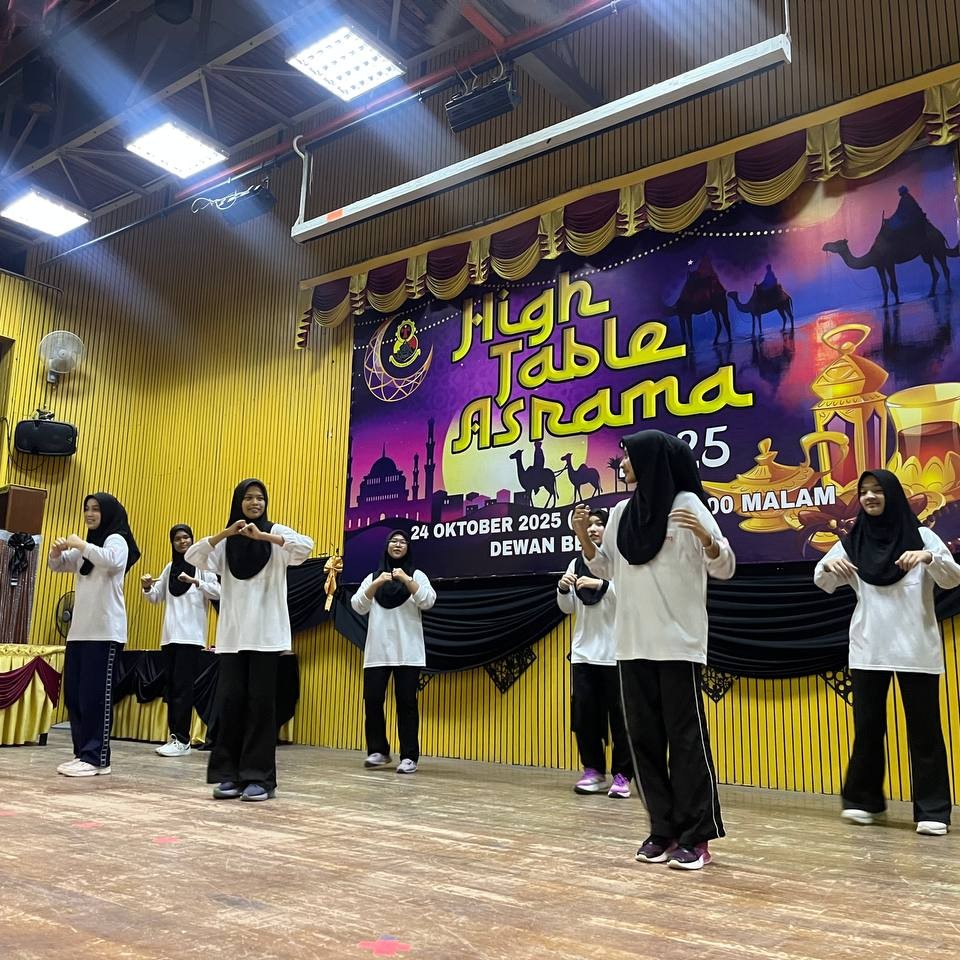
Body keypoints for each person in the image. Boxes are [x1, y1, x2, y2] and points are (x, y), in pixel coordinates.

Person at [572, 430, 735, 870]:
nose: (622, 464)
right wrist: (585, 539)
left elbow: (725, 567)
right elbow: (606, 568)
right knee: (643, 741)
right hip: (630, 644)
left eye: (628, 457)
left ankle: (697, 836)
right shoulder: (621, 512)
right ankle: (662, 830)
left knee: (686, 741)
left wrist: (707, 538)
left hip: (679, 644)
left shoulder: (688, 505)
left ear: (650, 461)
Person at [814, 469, 960, 836]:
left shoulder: (923, 538)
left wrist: (929, 558)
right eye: (864, 492)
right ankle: (864, 802)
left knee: (925, 731)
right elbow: (822, 580)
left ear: (892, 495)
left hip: (916, 649)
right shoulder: (852, 541)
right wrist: (828, 564)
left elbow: (952, 578)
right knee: (867, 728)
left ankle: (933, 810)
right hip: (869, 649)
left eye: (877, 491)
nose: (869, 497)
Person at [186, 479, 313, 802]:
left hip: (266, 636)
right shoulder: (227, 543)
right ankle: (229, 775)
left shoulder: (276, 533)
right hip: (232, 637)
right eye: (248, 498)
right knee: (230, 704)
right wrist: (226, 533)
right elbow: (194, 555)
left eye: (260, 498)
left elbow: (305, 547)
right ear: (238, 502)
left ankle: (260, 779)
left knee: (260, 707)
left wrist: (265, 536)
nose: (255, 503)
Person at [47, 492, 140, 777]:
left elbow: (112, 562)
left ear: (108, 512)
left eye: (96, 509)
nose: (89, 513)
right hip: (79, 632)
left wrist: (80, 544)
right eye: (87, 508)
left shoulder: (116, 540)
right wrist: (56, 552)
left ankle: (97, 757)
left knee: (95, 696)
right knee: (75, 696)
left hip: (105, 632)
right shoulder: (90, 546)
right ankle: (83, 754)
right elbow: (58, 565)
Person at [557, 508, 632, 799]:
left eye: (600, 524)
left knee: (621, 719)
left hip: (617, 653)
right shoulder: (576, 563)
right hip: (583, 654)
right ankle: (593, 771)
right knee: (585, 717)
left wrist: (602, 584)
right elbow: (567, 608)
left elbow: (631, 598)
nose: (593, 529)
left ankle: (623, 775)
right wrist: (563, 589)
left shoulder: (618, 562)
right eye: (589, 525)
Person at [351, 530, 436, 774]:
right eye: (393, 541)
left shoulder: (416, 575)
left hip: (408, 652)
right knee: (373, 701)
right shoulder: (373, 577)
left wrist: (406, 580)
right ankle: (378, 751)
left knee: (406, 703)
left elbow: (428, 601)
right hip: (377, 652)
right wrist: (377, 583)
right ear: (386, 546)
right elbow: (358, 605)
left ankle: (409, 757)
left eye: (402, 542)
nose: (397, 545)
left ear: (408, 547)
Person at [141, 524, 221, 757]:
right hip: (169, 638)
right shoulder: (170, 568)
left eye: (186, 537)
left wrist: (196, 582)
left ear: (192, 540)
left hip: (191, 637)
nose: (183, 542)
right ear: (172, 543)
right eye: (177, 539)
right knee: (172, 688)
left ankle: (183, 740)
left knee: (184, 690)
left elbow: (218, 592)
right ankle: (174, 737)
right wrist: (146, 587)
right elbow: (156, 597)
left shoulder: (202, 566)